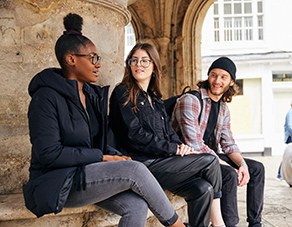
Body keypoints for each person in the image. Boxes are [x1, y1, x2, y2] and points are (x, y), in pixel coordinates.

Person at [22, 13, 187, 227]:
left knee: (136, 205)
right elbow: (48, 154)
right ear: (71, 60)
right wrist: (103, 157)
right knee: (135, 170)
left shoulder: (90, 95)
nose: (98, 64)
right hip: (58, 181)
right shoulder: (45, 98)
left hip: (85, 174)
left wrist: (117, 156)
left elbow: (97, 141)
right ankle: (177, 225)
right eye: (93, 58)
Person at [109, 42, 225, 227]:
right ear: (129, 64)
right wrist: (175, 149)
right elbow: (134, 135)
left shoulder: (155, 98)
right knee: (210, 161)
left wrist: (183, 148)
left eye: (145, 61)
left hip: (163, 163)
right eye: (135, 60)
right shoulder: (122, 92)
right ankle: (219, 223)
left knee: (203, 189)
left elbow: (169, 133)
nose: (139, 65)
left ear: (154, 66)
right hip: (142, 165)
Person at [172, 57, 265, 227]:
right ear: (208, 77)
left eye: (223, 77)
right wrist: (229, 167)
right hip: (189, 161)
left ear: (231, 82)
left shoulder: (223, 108)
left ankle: (255, 223)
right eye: (213, 75)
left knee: (256, 169)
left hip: (212, 158)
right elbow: (195, 145)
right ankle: (229, 224)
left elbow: (228, 143)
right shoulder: (190, 100)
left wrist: (242, 164)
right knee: (228, 174)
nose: (217, 81)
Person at [281, 101, 292, 186]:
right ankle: (280, 174)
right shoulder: (290, 112)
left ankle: (281, 174)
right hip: (290, 137)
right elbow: (289, 126)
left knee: (286, 157)